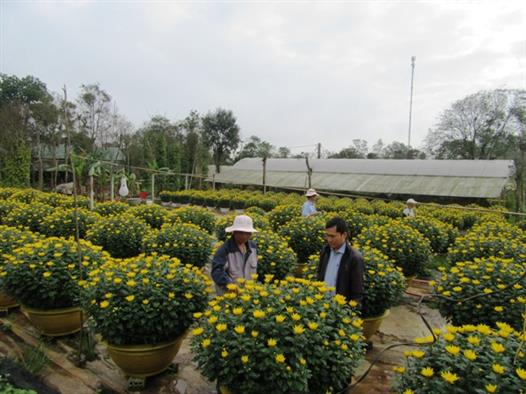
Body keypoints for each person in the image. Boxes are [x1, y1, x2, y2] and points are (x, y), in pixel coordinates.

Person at [316, 217, 365, 307]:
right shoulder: (325, 250)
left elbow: (357, 291)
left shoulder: (354, 258)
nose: (329, 239)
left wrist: (351, 310)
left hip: (340, 309)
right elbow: (319, 274)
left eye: (333, 236)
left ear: (344, 235)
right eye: (327, 235)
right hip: (322, 304)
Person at [211, 215, 258, 295]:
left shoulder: (253, 247)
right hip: (229, 296)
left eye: (248, 233)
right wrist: (231, 286)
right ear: (234, 232)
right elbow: (217, 272)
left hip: (247, 294)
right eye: (241, 233)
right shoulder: (224, 250)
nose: (244, 236)